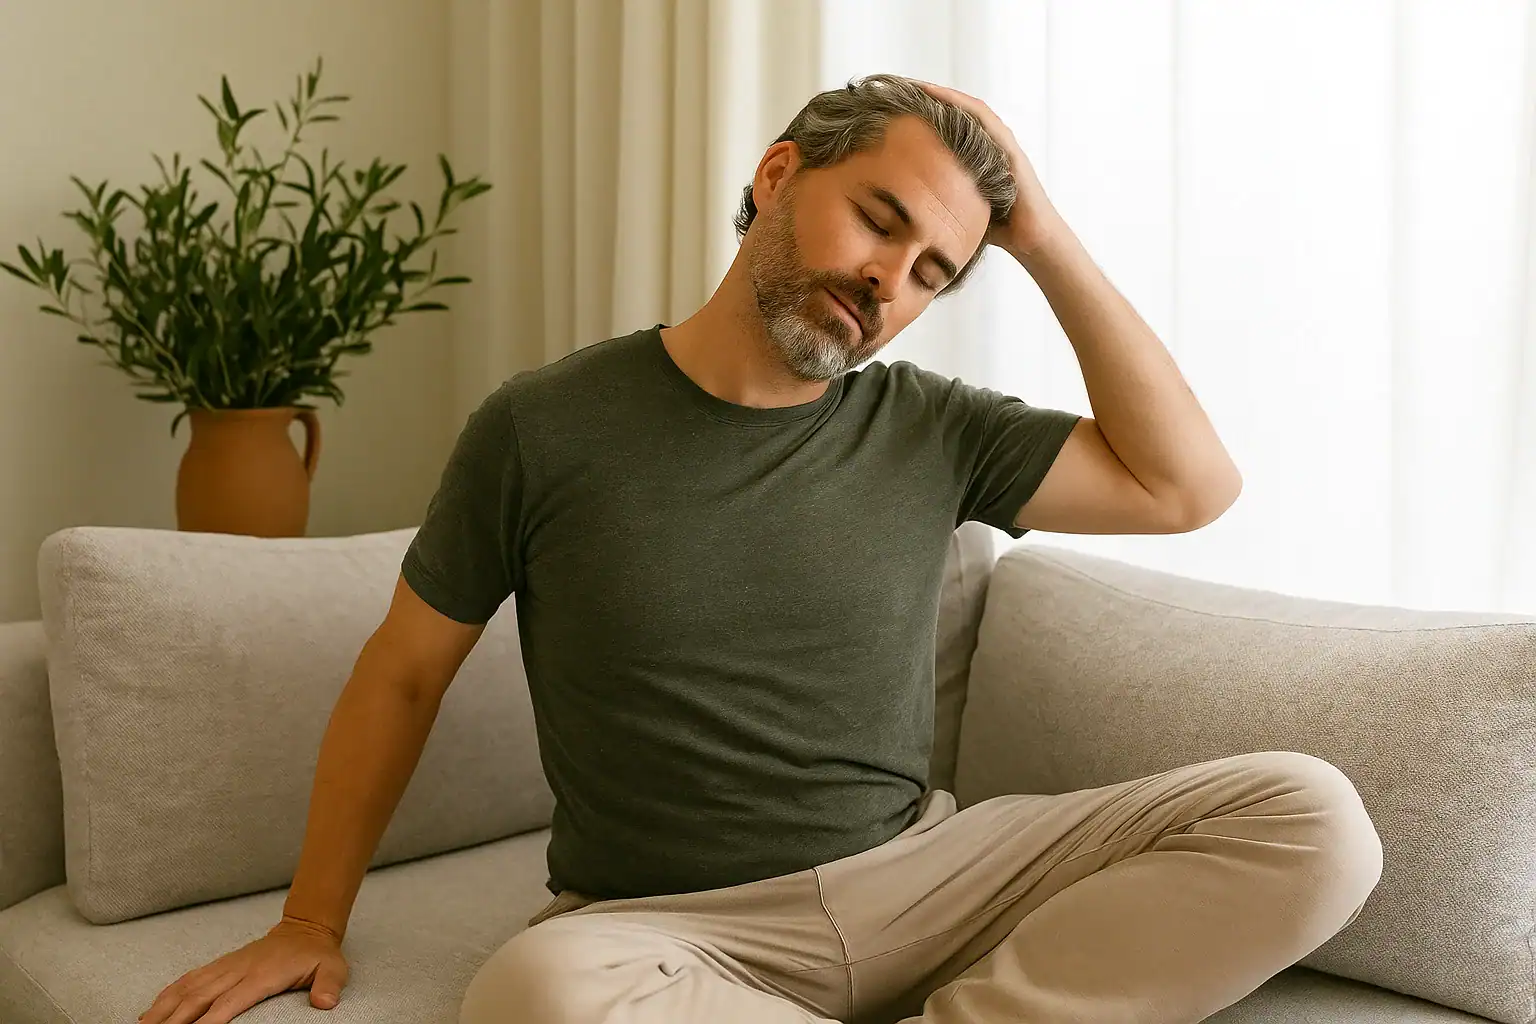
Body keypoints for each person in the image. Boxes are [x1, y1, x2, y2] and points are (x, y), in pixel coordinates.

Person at [138, 74, 1382, 1024]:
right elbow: (401, 672)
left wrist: (1041, 234)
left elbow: (1186, 486)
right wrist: (309, 917)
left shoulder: (935, 426)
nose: (889, 280)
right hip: (671, 930)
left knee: (1315, 818)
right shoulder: (543, 425)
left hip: (928, 876)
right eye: (878, 220)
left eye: (933, 270)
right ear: (780, 173)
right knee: (535, 994)